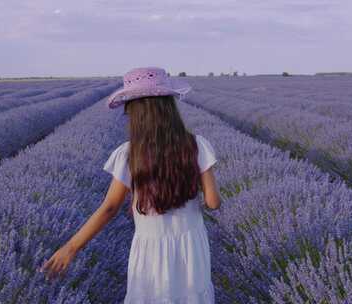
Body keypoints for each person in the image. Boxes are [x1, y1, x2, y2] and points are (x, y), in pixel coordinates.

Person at [39, 67, 221, 303]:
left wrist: (71, 248)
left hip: (150, 249)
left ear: (136, 114)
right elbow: (213, 202)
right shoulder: (196, 145)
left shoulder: (129, 154)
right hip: (191, 246)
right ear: (169, 108)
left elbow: (109, 208)